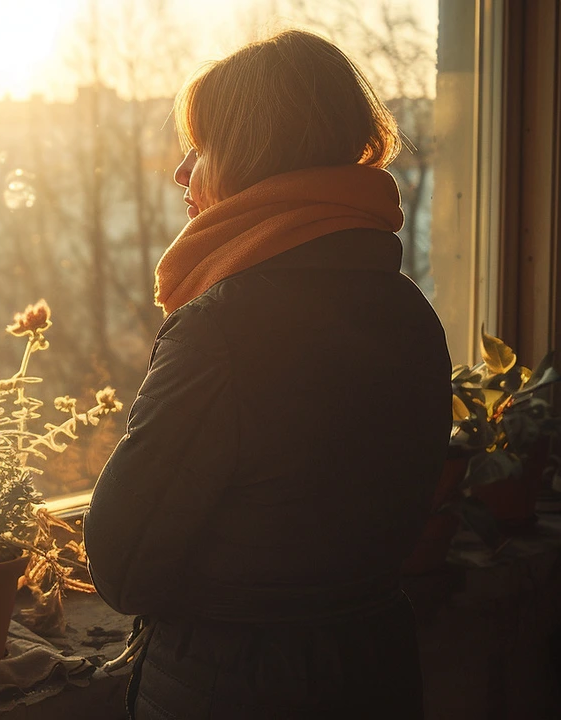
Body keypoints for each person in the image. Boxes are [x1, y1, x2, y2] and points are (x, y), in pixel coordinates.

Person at [84, 29, 451, 719]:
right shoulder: (409, 313)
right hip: (375, 669)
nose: (181, 172)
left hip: (234, 684)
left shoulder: (223, 329)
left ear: (251, 158)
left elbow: (122, 564)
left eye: (203, 147)